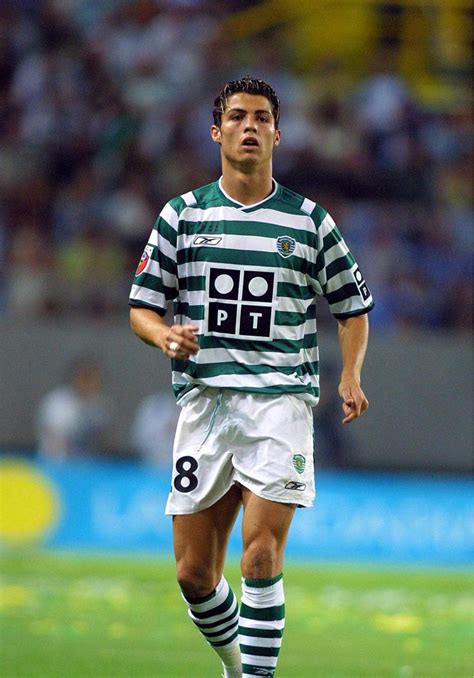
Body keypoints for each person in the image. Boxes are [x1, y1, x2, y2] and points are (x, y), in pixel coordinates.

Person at [129, 76, 373, 678]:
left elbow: (352, 307)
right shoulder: (182, 215)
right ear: (217, 132)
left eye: (262, 118)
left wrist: (350, 375)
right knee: (193, 574)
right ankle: (237, 668)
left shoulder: (310, 222)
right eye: (238, 117)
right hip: (205, 403)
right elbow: (141, 307)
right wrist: (164, 336)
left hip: (280, 403)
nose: (250, 127)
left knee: (261, 555)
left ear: (277, 135)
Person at [37, 354, 112, 461]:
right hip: (57, 464)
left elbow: (104, 443)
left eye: (93, 378)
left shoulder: (101, 405)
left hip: (89, 466)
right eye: (85, 377)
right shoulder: (57, 403)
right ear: (74, 377)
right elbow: (55, 443)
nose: (89, 383)